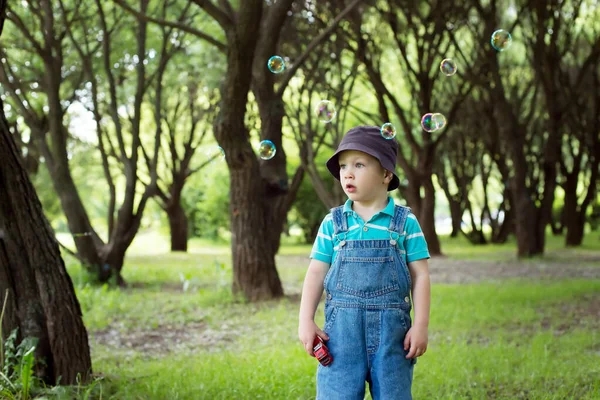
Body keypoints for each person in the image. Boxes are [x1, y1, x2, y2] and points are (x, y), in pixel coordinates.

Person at [298, 125, 431, 400]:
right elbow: (315, 272)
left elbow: (421, 276)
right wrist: (305, 320)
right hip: (341, 339)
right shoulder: (333, 223)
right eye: (344, 165)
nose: (347, 172)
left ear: (385, 174)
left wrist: (421, 325)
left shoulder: (405, 222)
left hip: (392, 338)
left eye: (359, 164)